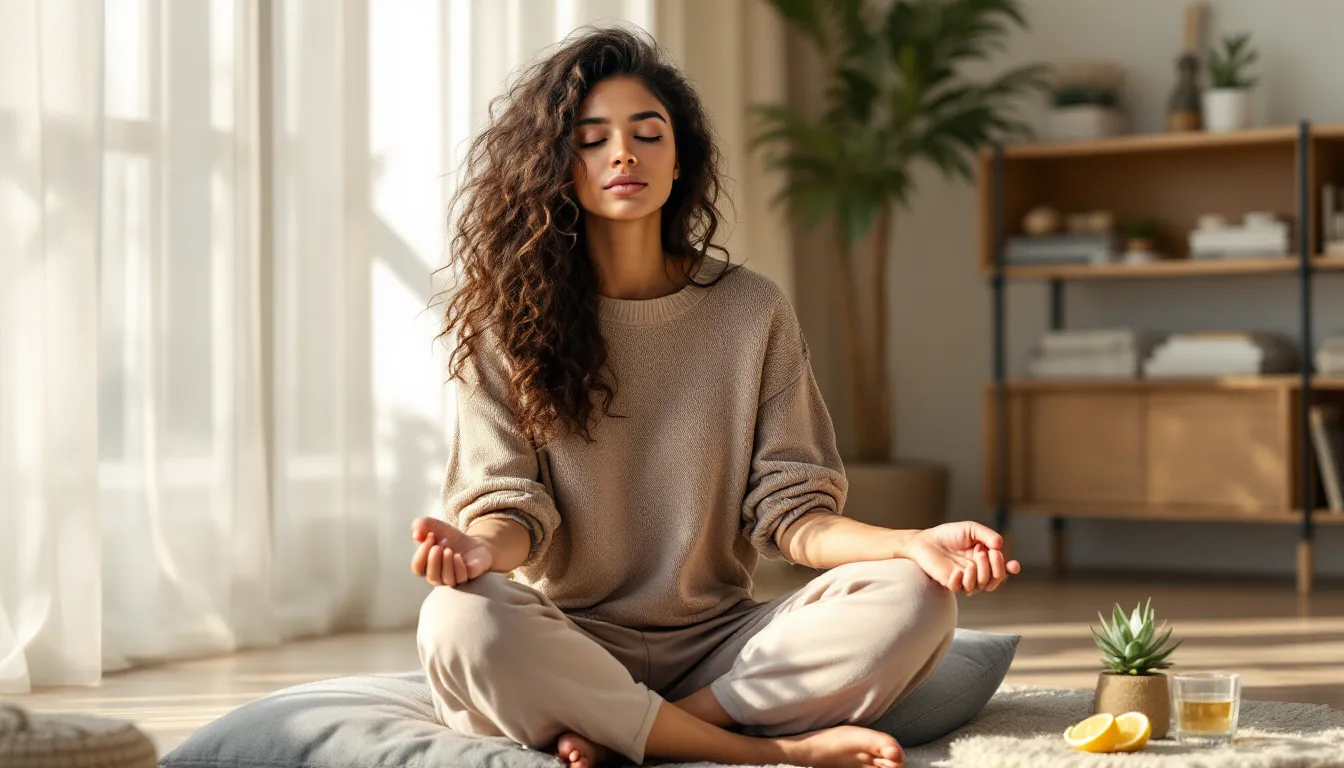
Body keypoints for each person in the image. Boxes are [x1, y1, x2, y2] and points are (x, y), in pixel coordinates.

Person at [411, 26, 1020, 768]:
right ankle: (774, 753)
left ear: (680, 161)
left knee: (919, 598)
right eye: (591, 139)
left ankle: (643, 730)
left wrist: (911, 545)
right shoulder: (506, 325)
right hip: (568, 640)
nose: (623, 154)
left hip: (722, 649)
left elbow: (792, 515)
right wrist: (480, 548)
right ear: (555, 166)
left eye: (647, 133)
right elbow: (509, 508)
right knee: (458, 618)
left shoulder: (750, 309)